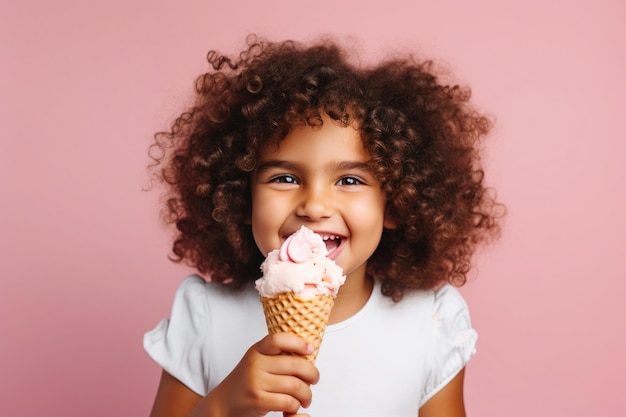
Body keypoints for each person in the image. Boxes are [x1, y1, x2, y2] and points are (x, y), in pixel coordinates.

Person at [144, 34, 503, 417]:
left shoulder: (429, 326)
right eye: (284, 178)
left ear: (396, 203)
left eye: (349, 180)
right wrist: (221, 407)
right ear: (242, 198)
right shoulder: (206, 319)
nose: (314, 206)